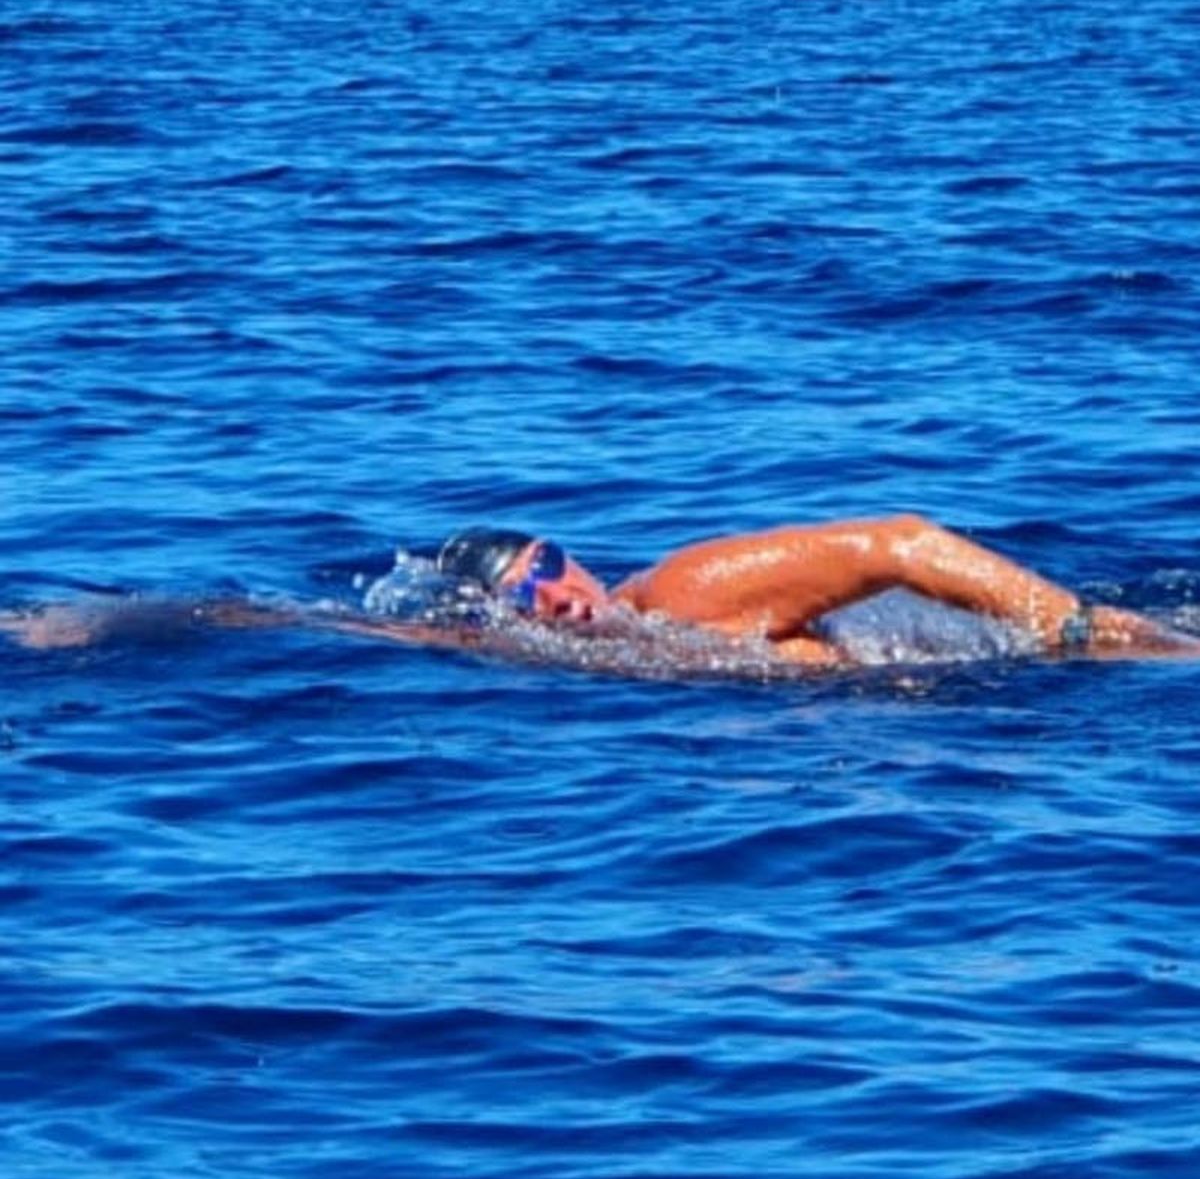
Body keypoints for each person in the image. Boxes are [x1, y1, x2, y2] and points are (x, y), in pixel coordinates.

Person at [4, 513, 1191, 666]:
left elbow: (902, 537)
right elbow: (303, 619)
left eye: (555, 566)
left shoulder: (680, 591)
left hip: (1055, 690)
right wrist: (92, 623)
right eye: (530, 593)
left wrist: (1079, 628)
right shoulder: (546, 659)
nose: (560, 597)